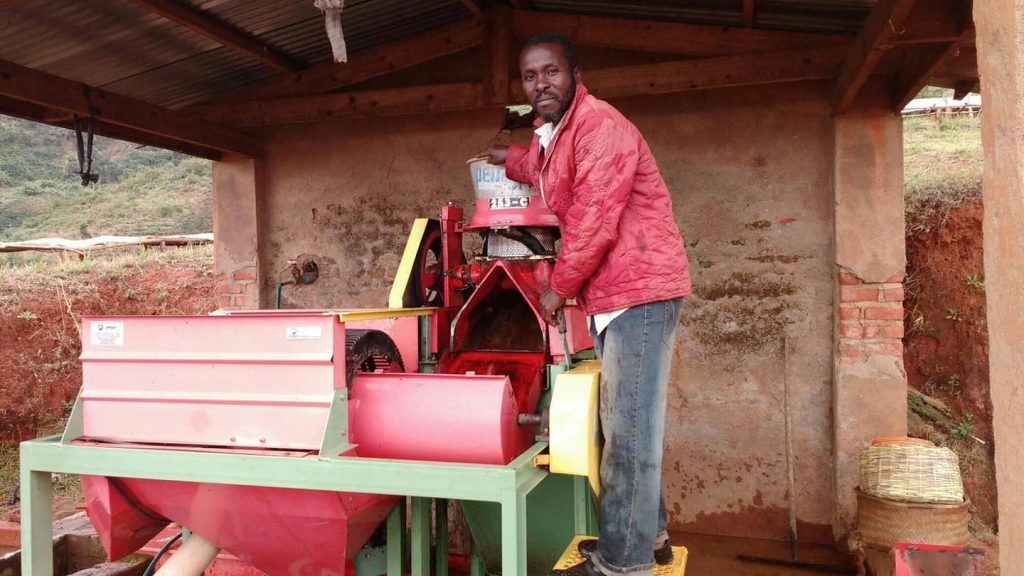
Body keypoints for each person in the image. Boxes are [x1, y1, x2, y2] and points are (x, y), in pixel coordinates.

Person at [482, 33, 692, 576]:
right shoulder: (558, 133)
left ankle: (621, 565)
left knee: (628, 434)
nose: (540, 84)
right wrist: (511, 160)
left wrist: (555, 291)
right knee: (626, 426)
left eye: (550, 72)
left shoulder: (600, 125)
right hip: (617, 295)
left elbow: (596, 218)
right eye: (530, 77)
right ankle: (654, 539)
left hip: (639, 292)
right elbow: (550, 169)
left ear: (575, 73)